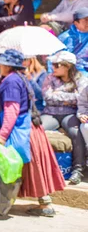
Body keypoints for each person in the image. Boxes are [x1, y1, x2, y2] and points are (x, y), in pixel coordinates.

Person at [0, 49, 65, 217]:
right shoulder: (18, 78)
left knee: (14, 166)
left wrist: (2, 136)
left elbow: (12, 110)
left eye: (1, 62)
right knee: (29, 167)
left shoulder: (11, 81)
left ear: (8, 65)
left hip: (19, 131)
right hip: (28, 129)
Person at [40, 51, 87, 185]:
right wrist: (69, 97)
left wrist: (58, 94)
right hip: (51, 113)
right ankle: (39, 167)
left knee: (75, 132)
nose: (52, 67)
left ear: (67, 66)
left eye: (56, 65)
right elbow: (47, 96)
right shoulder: (50, 78)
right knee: (38, 130)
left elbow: (81, 98)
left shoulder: (80, 78)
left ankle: (78, 169)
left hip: (70, 113)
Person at [58, 7, 88, 76]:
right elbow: (54, 58)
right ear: (76, 23)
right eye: (85, 20)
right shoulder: (65, 38)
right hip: (71, 74)